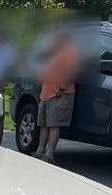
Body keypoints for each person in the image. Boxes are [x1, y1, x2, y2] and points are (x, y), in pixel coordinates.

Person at [34, 29, 80, 163]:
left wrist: (62, 87)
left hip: (59, 94)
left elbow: (72, 73)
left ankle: (49, 154)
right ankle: (40, 151)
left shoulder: (70, 51)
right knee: (43, 124)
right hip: (46, 93)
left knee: (54, 125)